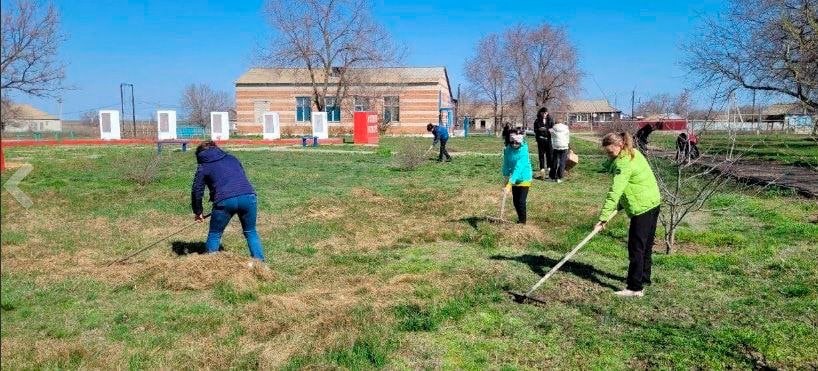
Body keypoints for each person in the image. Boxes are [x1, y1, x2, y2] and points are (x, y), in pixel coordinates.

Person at [595, 132, 661, 297]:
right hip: (653, 202)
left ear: (619, 146)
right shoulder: (633, 152)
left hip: (642, 207)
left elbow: (615, 192)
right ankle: (644, 278)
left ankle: (635, 288)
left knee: (636, 248)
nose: (609, 155)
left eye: (610, 152)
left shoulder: (623, 164)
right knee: (645, 246)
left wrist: (603, 218)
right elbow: (631, 186)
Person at [191, 141, 265, 261]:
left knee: (215, 233)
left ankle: (211, 266)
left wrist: (198, 211)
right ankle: (260, 265)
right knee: (251, 231)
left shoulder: (203, 166)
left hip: (224, 201)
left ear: (200, 155)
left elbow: (197, 190)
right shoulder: (231, 158)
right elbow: (241, 175)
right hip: (248, 196)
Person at [502, 130, 533, 223]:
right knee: (515, 202)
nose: (514, 144)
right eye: (512, 142)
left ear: (521, 142)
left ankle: (523, 223)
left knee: (521, 201)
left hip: (524, 177)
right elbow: (506, 163)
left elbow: (518, 168)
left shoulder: (524, 152)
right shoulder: (508, 149)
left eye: (517, 143)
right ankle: (520, 219)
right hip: (513, 179)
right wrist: (506, 177)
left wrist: (509, 184)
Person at [533, 107, 555, 179]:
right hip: (541, 139)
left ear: (547, 113)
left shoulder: (550, 120)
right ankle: (542, 169)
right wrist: (539, 129)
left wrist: (549, 130)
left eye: (545, 113)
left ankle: (549, 168)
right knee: (541, 154)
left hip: (548, 139)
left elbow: (553, 128)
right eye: (543, 113)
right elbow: (535, 130)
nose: (544, 114)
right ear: (540, 113)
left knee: (550, 154)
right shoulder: (537, 121)